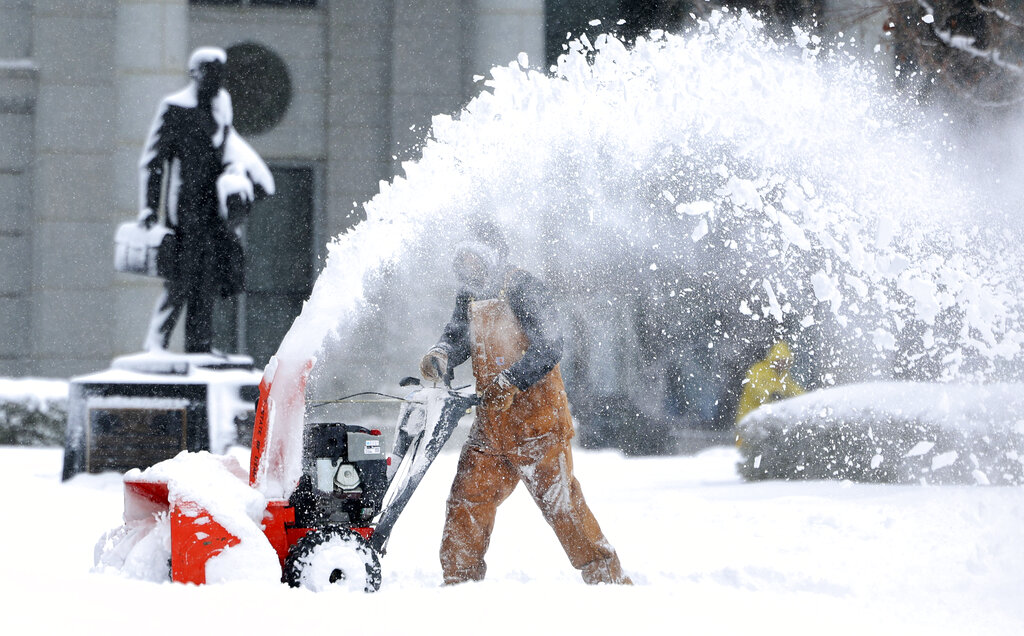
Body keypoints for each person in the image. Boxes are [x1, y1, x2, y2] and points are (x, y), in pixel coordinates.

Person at [420, 221, 631, 586]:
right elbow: (457, 335)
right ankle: (459, 582)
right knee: (467, 499)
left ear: (492, 255)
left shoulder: (523, 286)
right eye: (463, 260)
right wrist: (441, 354)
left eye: (475, 258)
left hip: (538, 424)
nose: (469, 267)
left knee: (562, 506)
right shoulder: (468, 294)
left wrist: (512, 381)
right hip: (492, 423)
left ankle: (606, 577)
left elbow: (551, 344)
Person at [138, 47, 274, 353]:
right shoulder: (175, 109)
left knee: (207, 277)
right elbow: (154, 161)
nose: (216, 79)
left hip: (213, 206)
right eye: (210, 72)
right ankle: (156, 343)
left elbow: (228, 150)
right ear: (195, 74)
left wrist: (239, 176)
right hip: (184, 206)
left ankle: (199, 345)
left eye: (220, 74)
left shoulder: (221, 108)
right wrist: (149, 206)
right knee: (180, 276)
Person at [734, 340, 806, 423]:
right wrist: (771, 394)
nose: (783, 364)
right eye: (780, 360)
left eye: (786, 361)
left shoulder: (783, 375)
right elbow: (756, 387)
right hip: (750, 414)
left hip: (765, 418)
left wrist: (805, 398)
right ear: (773, 359)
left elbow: (792, 388)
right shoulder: (759, 369)